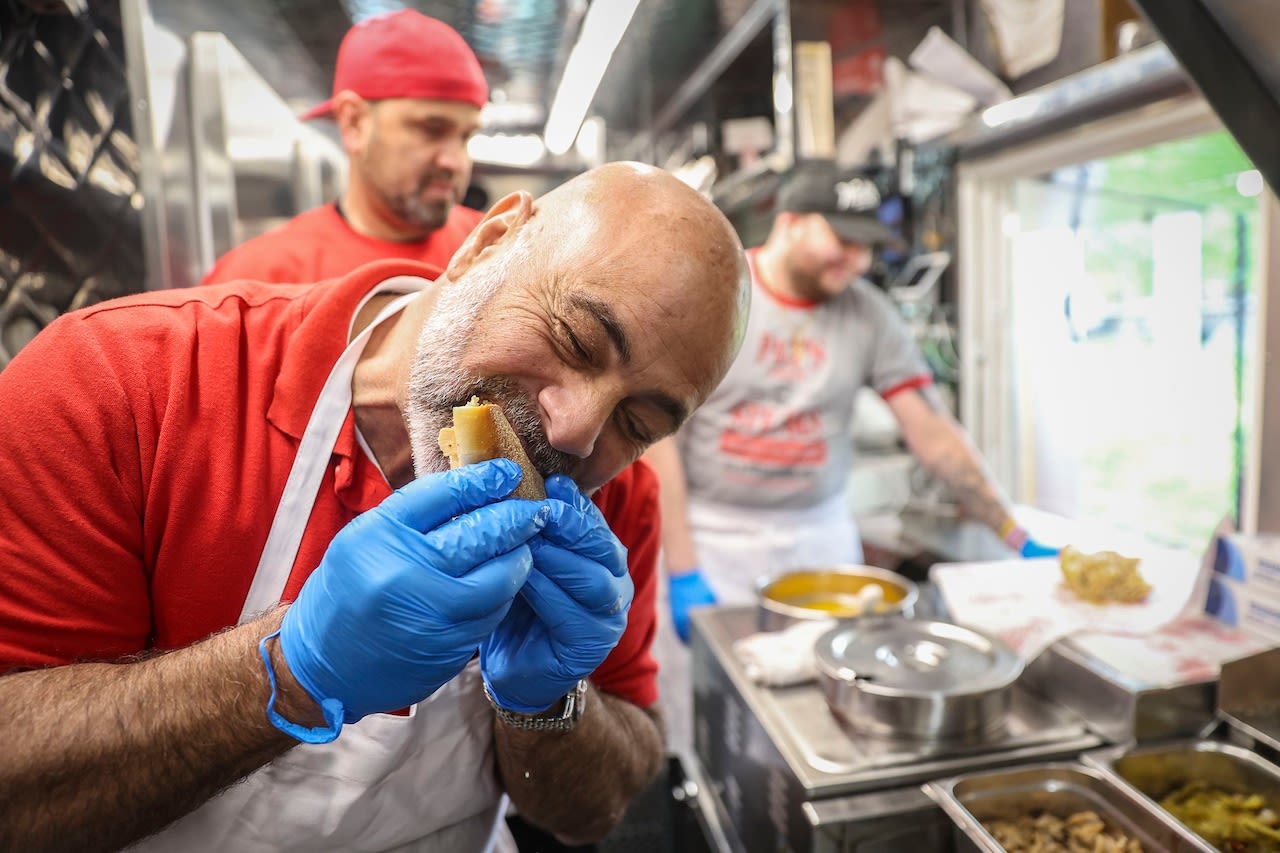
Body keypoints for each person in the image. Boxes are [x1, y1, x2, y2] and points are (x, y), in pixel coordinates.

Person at [0, 162, 750, 852]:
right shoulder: (125, 385)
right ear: (485, 246)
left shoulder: (616, 500)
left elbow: (591, 811)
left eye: (638, 423)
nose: (578, 430)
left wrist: (549, 704)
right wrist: (287, 671)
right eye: (574, 338)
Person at [645, 159, 1056, 753]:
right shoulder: (714, 294)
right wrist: (682, 568)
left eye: (869, 246)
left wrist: (1014, 532)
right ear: (789, 222)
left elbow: (932, 432)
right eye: (842, 240)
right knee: (712, 721)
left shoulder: (868, 314)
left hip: (821, 541)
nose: (857, 261)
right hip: (714, 537)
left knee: (828, 711)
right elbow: (662, 441)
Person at [202, 9, 488, 285]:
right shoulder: (261, 278)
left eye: (466, 137)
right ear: (355, 123)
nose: (455, 161)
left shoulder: (497, 248)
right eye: (431, 130)